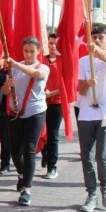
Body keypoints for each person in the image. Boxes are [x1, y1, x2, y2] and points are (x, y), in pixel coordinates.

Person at [77, 26, 106, 212]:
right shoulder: (83, 61)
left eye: (100, 37)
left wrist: (99, 52)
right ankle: (91, 193)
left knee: (101, 155)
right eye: (93, 37)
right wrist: (88, 83)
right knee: (86, 156)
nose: (96, 40)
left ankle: (105, 187)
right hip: (86, 113)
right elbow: (80, 89)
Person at [2, 37, 49, 206]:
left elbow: (36, 74)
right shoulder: (15, 68)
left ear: (38, 52)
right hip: (16, 114)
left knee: (29, 149)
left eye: (32, 51)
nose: (28, 54)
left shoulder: (42, 67)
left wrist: (15, 64)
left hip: (35, 113)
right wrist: (8, 84)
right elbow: (5, 91)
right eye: (26, 51)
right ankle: (22, 175)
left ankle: (27, 190)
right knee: (14, 150)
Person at [41, 33, 62, 179]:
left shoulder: (62, 62)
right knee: (40, 133)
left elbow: (67, 86)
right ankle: (45, 153)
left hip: (56, 103)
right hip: (41, 102)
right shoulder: (42, 61)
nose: (53, 46)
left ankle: (52, 166)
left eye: (55, 43)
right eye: (51, 43)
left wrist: (51, 93)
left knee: (53, 134)